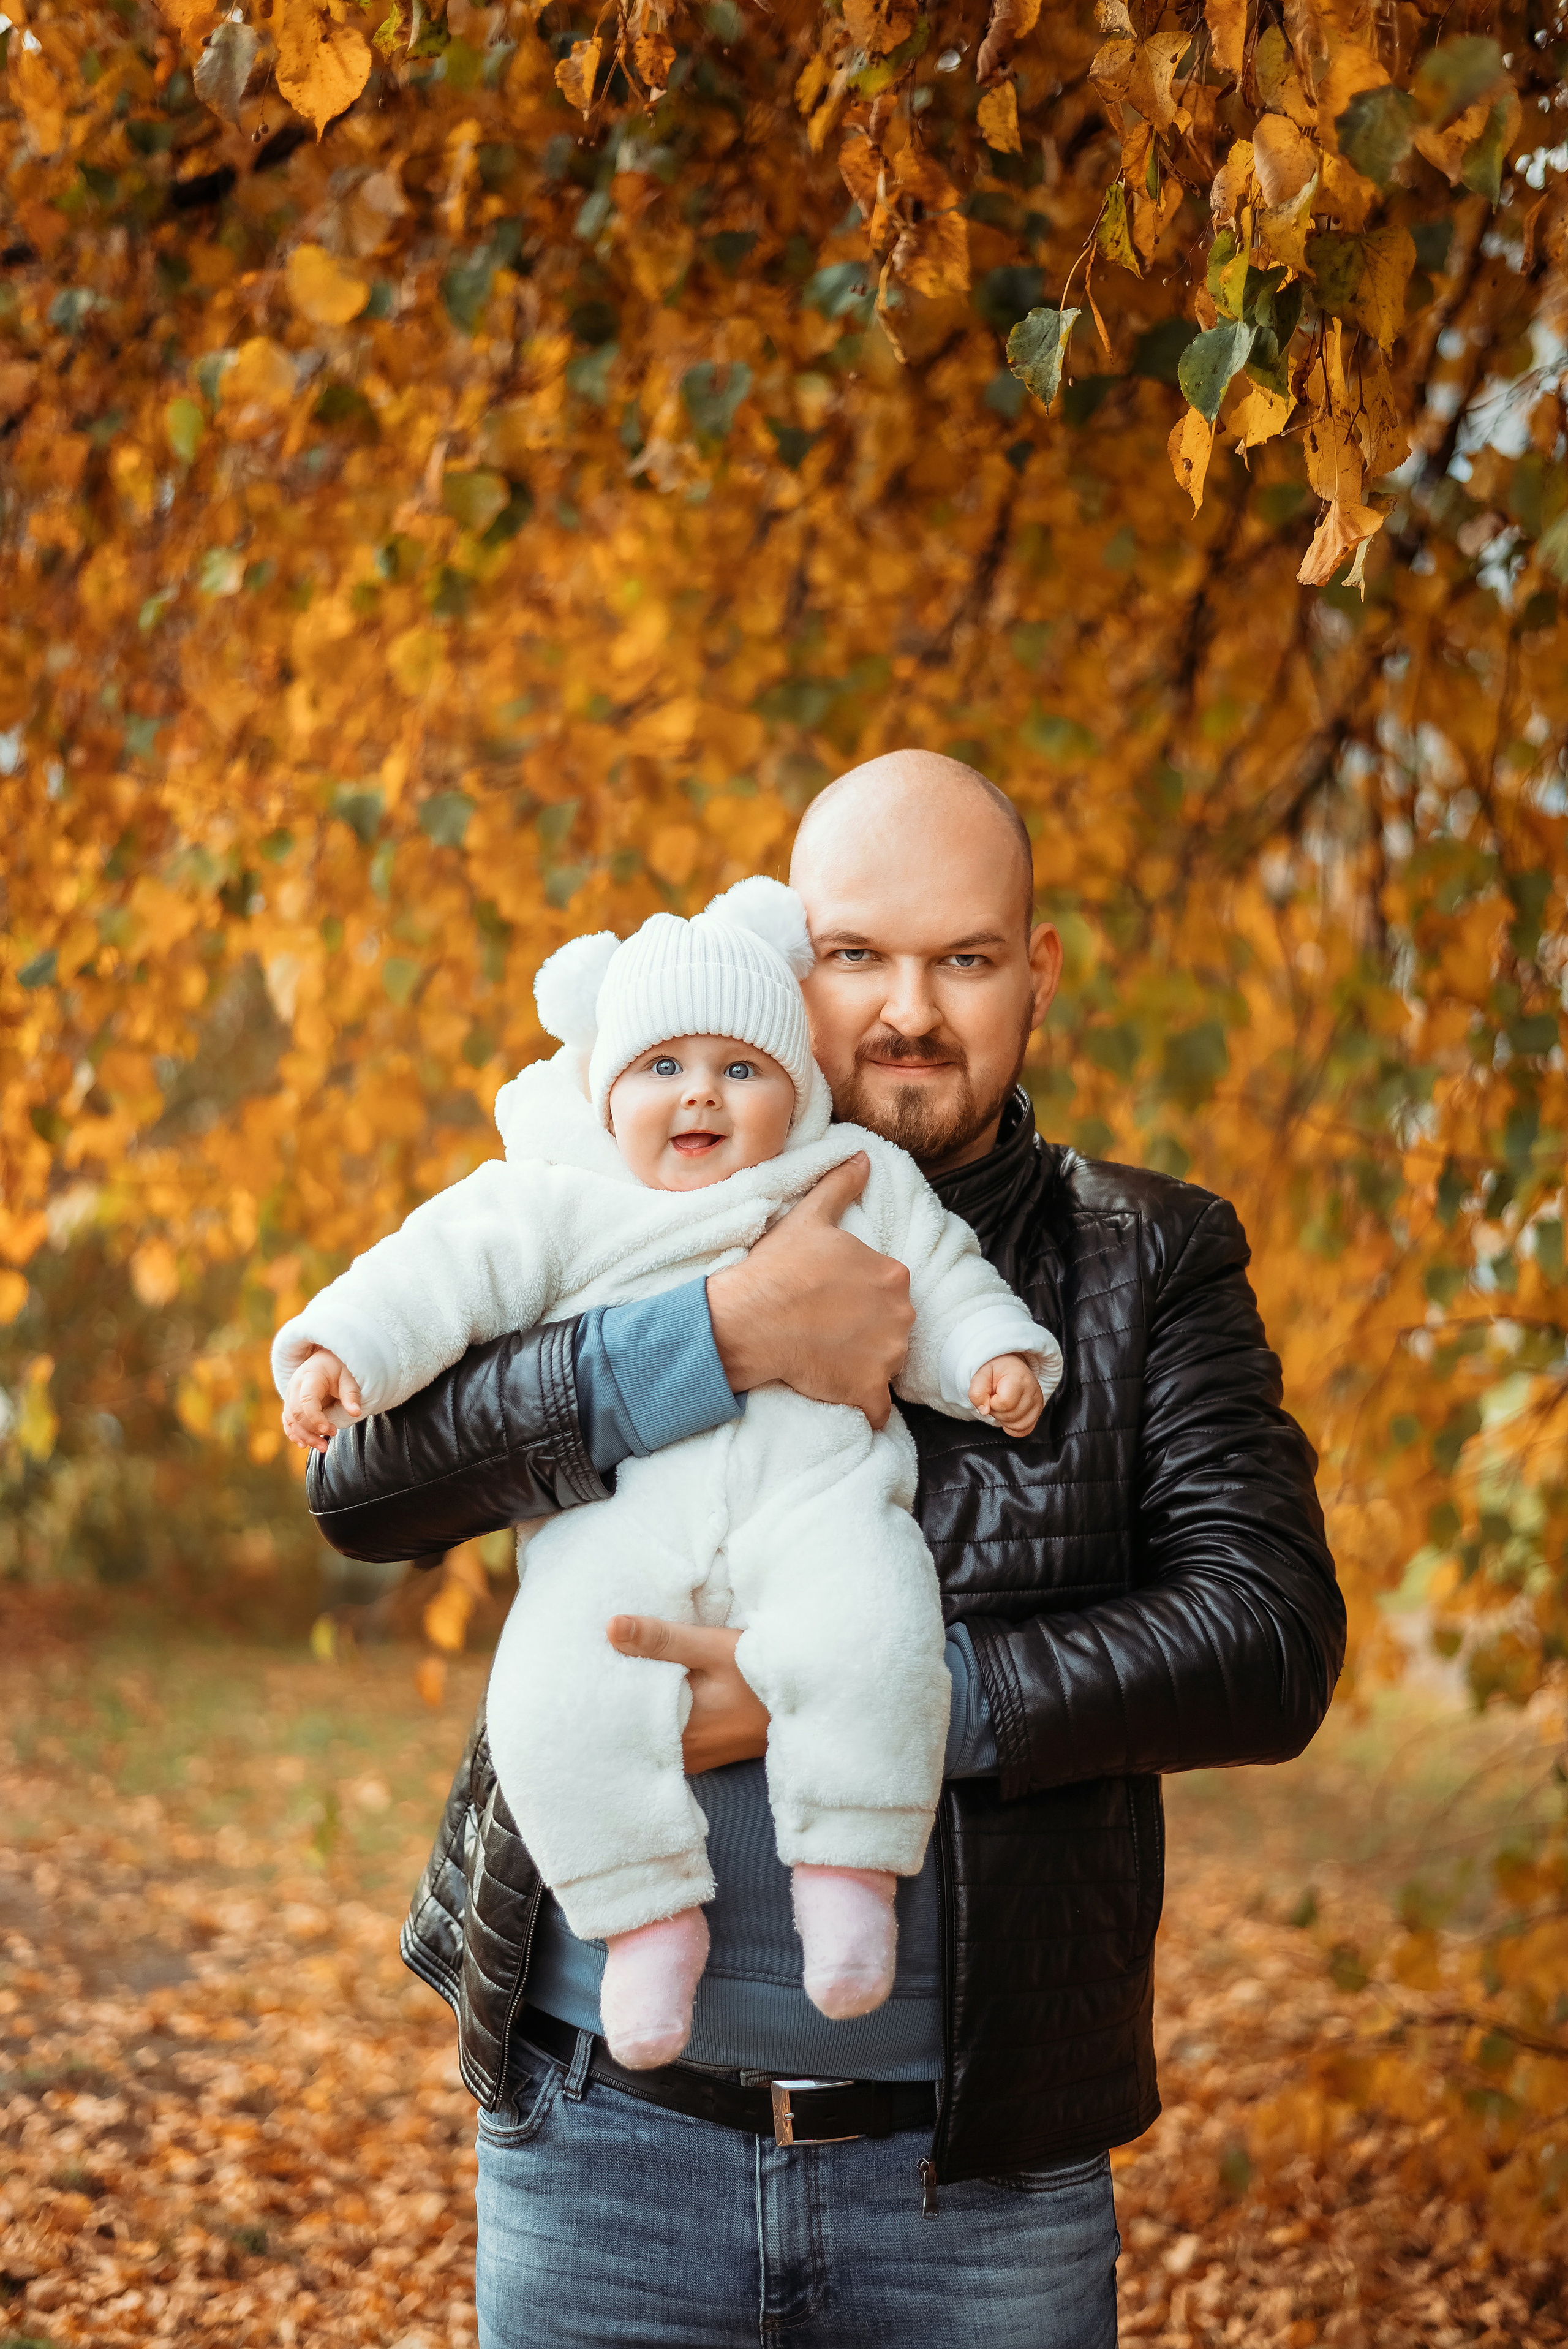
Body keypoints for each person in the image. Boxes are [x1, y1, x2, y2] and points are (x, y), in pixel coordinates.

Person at [307, 751, 1345, 2349]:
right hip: (602, 2139)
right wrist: (711, 1336)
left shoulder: (1148, 1259)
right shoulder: (605, 1190)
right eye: (859, 954)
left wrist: (859, 1697)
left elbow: (1266, 1635)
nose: (908, 1009)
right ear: (795, 967)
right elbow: (361, 1487)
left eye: (966, 958)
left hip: (972, 2176)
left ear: (1038, 970)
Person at [274, 878, 1054, 2069]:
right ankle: (641, 1918)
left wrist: (988, 1353)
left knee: (878, 1634)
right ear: (604, 1093)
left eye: (740, 1070)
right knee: (548, 1693)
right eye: (661, 1069)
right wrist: (343, 1352)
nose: (699, 1091)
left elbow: (934, 1274)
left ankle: (848, 1874)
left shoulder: (841, 1175)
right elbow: (436, 1270)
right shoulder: (557, 1200)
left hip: (819, 1502)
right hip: (620, 1534)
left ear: (794, 1088)